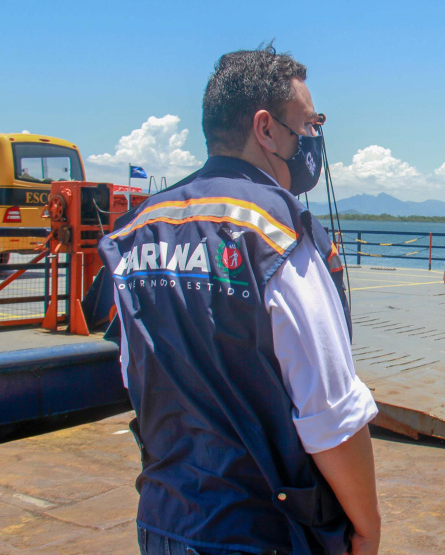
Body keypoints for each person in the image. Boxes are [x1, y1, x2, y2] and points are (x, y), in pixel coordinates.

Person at [98, 44, 381, 555]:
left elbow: (136, 377)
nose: (315, 139)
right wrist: (366, 525)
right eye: (310, 124)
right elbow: (331, 417)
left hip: (165, 521)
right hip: (263, 531)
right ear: (266, 128)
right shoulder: (278, 233)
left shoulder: (136, 229)